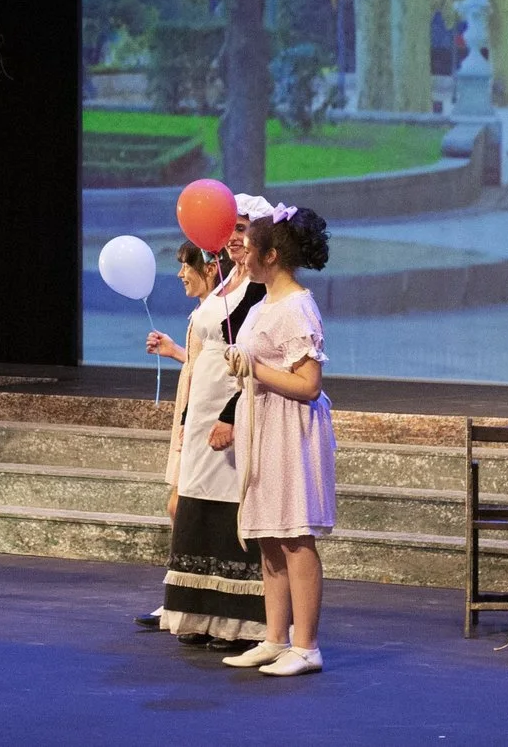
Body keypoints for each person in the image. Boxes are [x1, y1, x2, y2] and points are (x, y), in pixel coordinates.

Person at [143, 200, 270, 648]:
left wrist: (230, 415)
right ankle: (200, 611)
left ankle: (238, 620)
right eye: (230, 229)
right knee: (195, 504)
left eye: (243, 229)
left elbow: (254, 357)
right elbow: (207, 351)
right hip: (201, 407)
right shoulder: (226, 282)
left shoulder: (258, 288)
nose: (235, 237)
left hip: (230, 406)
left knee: (228, 506)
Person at [221, 202, 336, 677]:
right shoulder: (265, 302)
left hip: (293, 427)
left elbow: (309, 385)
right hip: (264, 422)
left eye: (248, 249)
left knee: (295, 535)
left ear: (271, 255)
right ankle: (275, 637)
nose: (241, 256)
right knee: (269, 533)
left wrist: (257, 371)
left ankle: (306, 646)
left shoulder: (296, 307)